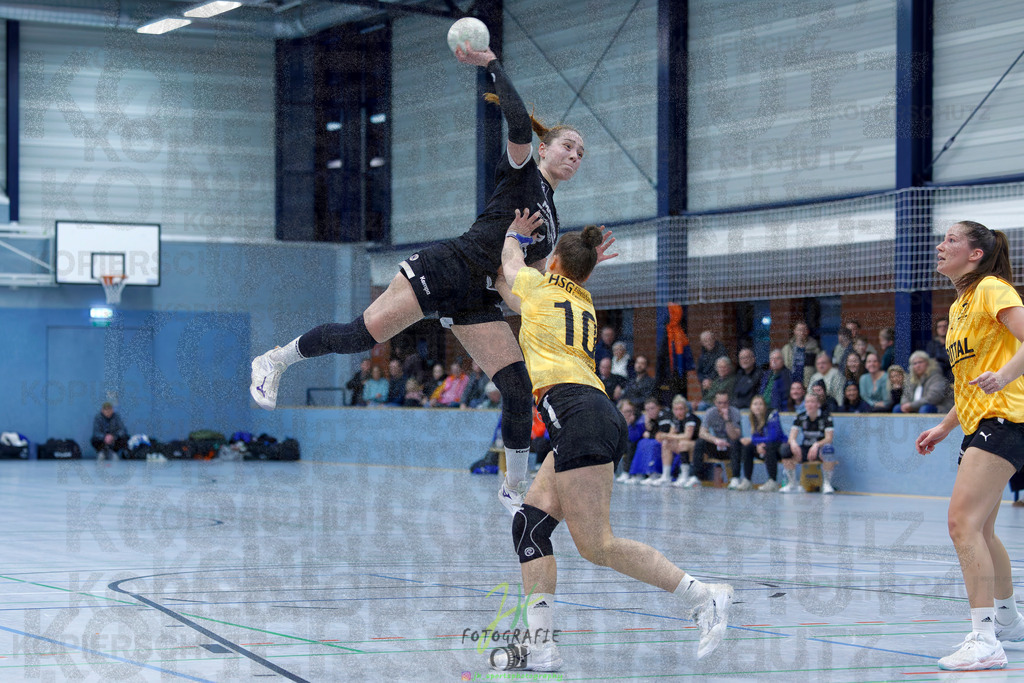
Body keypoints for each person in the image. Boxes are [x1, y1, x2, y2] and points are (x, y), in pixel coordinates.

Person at [249, 42, 616, 515]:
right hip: (447, 267)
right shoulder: (523, 174)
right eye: (568, 146)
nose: (575, 155)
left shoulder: (552, 219)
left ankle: (512, 488)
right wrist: (490, 63)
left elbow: (524, 287)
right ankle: (275, 360)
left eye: (581, 153)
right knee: (360, 336)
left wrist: (579, 269)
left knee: (516, 387)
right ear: (545, 149)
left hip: (478, 297)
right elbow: (517, 122)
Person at [496, 218, 732, 670]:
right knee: (530, 525)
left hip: (577, 413)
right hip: (592, 412)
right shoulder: (581, 299)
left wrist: (512, 235)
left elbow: (510, 266)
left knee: (597, 545)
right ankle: (541, 646)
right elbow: (520, 288)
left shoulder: (543, 289)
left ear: (556, 262)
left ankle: (705, 595)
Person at [915, 220, 1024, 671]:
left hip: (1007, 420)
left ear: (975, 254)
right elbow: (970, 383)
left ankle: (984, 639)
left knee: (961, 524)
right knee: (981, 530)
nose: (941, 246)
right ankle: (1008, 620)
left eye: (952, 240)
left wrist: (1005, 376)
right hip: (980, 422)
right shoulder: (961, 305)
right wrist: (945, 426)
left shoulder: (993, 289)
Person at [779, 392, 836, 494]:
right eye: (807, 402)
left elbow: (829, 438)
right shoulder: (800, 417)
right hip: (805, 449)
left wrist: (816, 445)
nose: (809, 404)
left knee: (828, 449)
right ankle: (792, 484)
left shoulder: (826, 417)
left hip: (819, 449)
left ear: (818, 404)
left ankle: (827, 484)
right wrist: (794, 444)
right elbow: (791, 437)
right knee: (786, 449)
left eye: (812, 402)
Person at [691, 390, 743, 489]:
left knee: (735, 442)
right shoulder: (710, 412)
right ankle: (695, 477)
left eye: (725, 403)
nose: (723, 406)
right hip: (716, 445)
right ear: (715, 403)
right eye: (720, 403)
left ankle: (735, 478)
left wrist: (727, 420)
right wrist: (715, 440)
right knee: (700, 442)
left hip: (730, 447)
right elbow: (702, 433)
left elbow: (734, 436)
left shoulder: (735, 412)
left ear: (729, 402)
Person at [646, 395, 699, 487]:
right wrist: (662, 436)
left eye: (681, 409)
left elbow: (687, 436)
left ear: (686, 409)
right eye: (676, 409)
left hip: (696, 444)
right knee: (666, 443)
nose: (679, 412)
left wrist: (667, 435)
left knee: (683, 444)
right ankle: (666, 476)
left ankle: (685, 476)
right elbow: (671, 435)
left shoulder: (690, 417)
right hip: (682, 443)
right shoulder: (675, 419)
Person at [743, 395, 785, 491]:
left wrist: (756, 442)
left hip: (778, 448)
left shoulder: (772, 414)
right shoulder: (752, 418)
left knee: (768, 446)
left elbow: (773, 437)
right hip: (764, 447)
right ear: (751, 407)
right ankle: (747, 480)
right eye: (755, 404)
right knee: (748, 447)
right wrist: (757, 445)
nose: (757, 407)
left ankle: (772, 481)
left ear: (765, 407)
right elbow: (755, 437)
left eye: (760, 404)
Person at [614, 399, 645, 483]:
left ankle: (627, 471)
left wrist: (629, 425)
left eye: (631, 411)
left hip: (636, 443)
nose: (629, 414)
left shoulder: (639, 419)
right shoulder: (617, 419)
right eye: (626, 411)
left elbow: (634, 437)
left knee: (628, 445)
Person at [781, 321, 820, 386]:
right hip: (790, 383)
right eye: (799, 330)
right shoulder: (787, 348)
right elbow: (782, 367)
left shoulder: (814, 348)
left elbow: (818, 368)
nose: (802, 332)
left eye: (804, 330)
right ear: (795, 331)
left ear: (808, 332)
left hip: (808, 383)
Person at [696, 331, 728, 397]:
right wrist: (703, 380)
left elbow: (722, 369)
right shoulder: (702, 356)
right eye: (705, 341)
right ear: (702, 343)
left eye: (710, 339)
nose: (708, 342)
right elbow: (699, 372)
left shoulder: (722, 351)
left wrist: (710, 379)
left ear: (714, 339)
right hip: (706, 386)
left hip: (719, 384)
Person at [926, 317, 954, 382]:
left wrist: (940, 359)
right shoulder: (932, 345)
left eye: (945, 326)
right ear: (936, 330)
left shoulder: (954, 343)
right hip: (938, 374)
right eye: (940, 327)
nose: (943, 328)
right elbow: (930, 361)